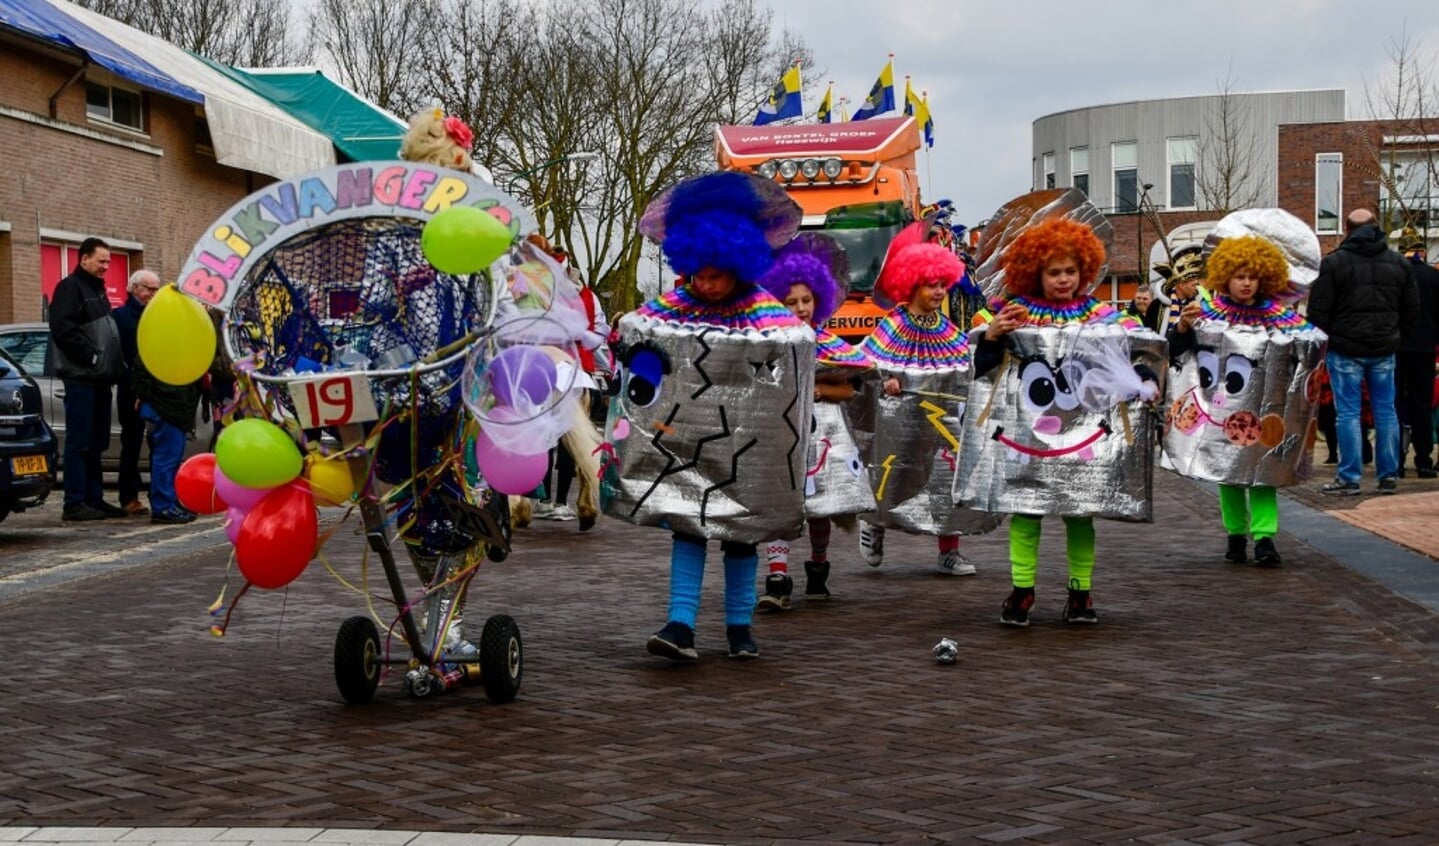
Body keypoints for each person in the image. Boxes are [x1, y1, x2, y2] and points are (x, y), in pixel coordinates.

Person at [624, 171, 808, 661]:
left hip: (746, 448)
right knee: (687, 527)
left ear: (738, 264)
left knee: (742, 536)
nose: (706, 284)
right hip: (686, 441)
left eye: (716, 274)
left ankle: (739, 626)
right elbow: (639, 331)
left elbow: (794, 346)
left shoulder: (764, 311)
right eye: (699, 274)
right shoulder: (673, 306)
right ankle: (680, 625)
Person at [979, 218, 1158, 625]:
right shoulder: (1015, 316)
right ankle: (1022, 591)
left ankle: (1082, 593)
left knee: (1081, 513)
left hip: (1085, 439)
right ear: (1036, 272)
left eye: (1070, 271)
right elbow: (985, 372)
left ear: (1085, 271)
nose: (1063, 279)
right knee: (1025, 512)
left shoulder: (1104, 315)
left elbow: (1141, 351)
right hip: (1031, 436)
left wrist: (1145, 380)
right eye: (1054, 272)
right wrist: (992, 336)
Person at [1168, 235, 1314, 566]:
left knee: (1263, 474)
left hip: (1265, 412)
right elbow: (1177, 351)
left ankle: (1264, 538)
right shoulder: (1206, 315)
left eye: (1252, 276)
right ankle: (1235, 533)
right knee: (1229, 475)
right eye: (1239, 276)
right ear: (1225, 278)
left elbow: (1305, 354)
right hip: (1220, 411)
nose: (1246, 283)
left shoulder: (1281, 317)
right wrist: (1183, 327)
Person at [755, 235, 872, 610]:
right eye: (791, 302)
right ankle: (777, 574)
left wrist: (820, 390)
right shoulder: (766, 342)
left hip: (826, 434)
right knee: (783, 504)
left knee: (822, 505)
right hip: (782, 433)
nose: (801, 307)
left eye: (806, 300)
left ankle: (818, 567)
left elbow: (852, 389)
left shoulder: (834, 344)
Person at [857, 225, 981, 576]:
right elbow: (866, 362)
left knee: (947, 474)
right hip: (899, 420)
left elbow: (967, 365)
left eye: (943, 284)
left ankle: (949, 550)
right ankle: (874, 522)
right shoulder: (892, 325)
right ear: (911, 284)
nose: (940, 291)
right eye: (932, 285)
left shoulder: (950, 330)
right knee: (892, 471)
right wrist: (886, 380)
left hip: (939, 420)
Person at [1308, 209, 1421, 494]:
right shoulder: (1398, 263)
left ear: (1347, 230)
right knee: (1386, 411)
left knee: (1347, 413)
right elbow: (1411, 309)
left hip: (1345, 348)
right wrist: (1395, 335)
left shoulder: (1333, 263)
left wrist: (1328, 340)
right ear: (1376, 227)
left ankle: (1350, 477)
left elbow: (1318, 311)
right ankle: (1388, 474)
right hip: (1384, 347)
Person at [48, 237, 125, 521]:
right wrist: (91, 357)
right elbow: (62, 328)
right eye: (101, 261)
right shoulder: (70, 288)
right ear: (83, 259)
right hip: (82, 379)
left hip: (101, 380)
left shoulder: (97, 290)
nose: (106, 266)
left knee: (97, 441)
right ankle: (75, 502)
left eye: (108, 261)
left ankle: (94, 498)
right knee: (80, 441)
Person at [130, 322, 201, 525]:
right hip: (167, 409)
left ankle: (168, 502)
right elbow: (141, 375)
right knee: (165, 459)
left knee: (169, 459)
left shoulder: (160, 346)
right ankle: (163, 506)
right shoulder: (158, 348)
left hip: (170, 408)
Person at [111, 270, 161, 516]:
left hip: (155, 388)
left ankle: (158, 494)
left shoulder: (159, 315)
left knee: (157, 442)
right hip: (130, 388)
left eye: (155, 289)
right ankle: (128, 496)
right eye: (148, 288)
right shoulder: (120, 317)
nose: (152, 293)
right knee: (131, 442)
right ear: (133, 289)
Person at [1396, 233, 1439, 478]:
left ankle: (1397, 460)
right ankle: (1423, 459)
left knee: (1395, 403)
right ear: (1422, 250)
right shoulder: (1434, 277)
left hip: (1397, 346)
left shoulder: (1396, 276)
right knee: (1422, 403)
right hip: (1424, 348)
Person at [1145, 245, 1204, 334]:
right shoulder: (1157, 306)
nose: (1197, 288)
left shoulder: (1199, 306)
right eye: (1193, 285)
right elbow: (1149, 334)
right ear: (1181, 285)